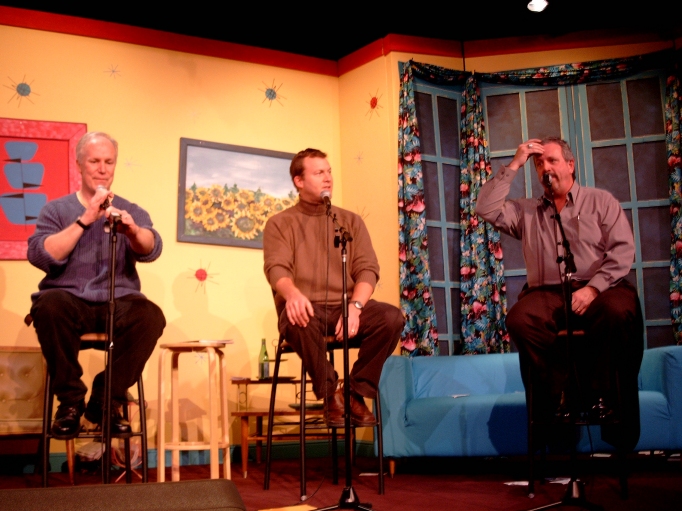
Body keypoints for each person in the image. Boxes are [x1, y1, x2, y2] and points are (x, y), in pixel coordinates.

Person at [475, 137, 643, 449]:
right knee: (520, 319)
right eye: (539, 164)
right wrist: (516, 162)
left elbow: (622, 251)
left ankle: (602, 395)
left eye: (552, 160)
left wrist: (593, 289)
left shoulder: (601, 201)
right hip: (547, 292)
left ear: (570, 165)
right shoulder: (526, 211)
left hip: (600, 287)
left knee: (618, 311)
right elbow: (485, 208)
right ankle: (558, 395)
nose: (545, 168)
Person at [28, 132, 166, 440]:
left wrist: (132, 231)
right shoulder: (57, 209)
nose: (102, 169)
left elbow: (152, 247)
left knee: (150, 316)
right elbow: (41, 254)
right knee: (48, 306)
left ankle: (105, 401)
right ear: (79, 164)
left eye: (109, 162)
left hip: (118, 302)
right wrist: (86, 218)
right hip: (69, 301)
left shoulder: (131, 209)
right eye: (94, 161)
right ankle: (70, 403)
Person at [263, 148, 404, 427]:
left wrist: (356, 307)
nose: (328, 178)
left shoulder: (349, 221)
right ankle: (330, 395)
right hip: (308, 309)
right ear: (299, 181)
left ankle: (354, 392)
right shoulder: (280, 223)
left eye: (329, 172)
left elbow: (367, 269)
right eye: (318, 173)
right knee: (295, 317)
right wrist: (292, 295)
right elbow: (276, 268)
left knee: (391, 318)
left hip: (346, 308)